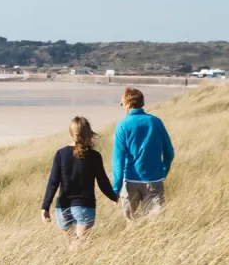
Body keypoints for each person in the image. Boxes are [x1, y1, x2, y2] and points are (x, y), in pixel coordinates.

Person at [41, 116, 117, 246]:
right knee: (81, 245)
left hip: (62, 208)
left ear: (71, 133)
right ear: (88, 132)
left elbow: (53, 182)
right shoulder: (94, 156)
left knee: (73, 244)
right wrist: (113, 196)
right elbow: (102, 180)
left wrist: (45, 207)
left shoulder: (61, 154)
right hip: (84, 206)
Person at [112, 87, 175, 221]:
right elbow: (169, 152)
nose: (121, 105)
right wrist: (163, 171)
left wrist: (115, 189)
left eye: (122, 103)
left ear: (129, 104)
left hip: (130, 180)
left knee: (131, 223)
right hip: (154, 179)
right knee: (155, 224)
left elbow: (119, 159)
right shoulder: (155, 122)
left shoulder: (122, 125)